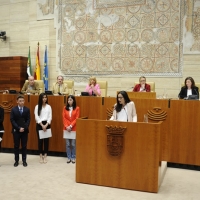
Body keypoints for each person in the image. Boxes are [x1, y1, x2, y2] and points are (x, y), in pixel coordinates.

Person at [10, 95, 30, 167]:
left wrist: (25, 127)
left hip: (24, 131)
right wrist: (18, 128)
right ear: (17, 101)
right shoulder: (13, 109)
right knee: (16, 146)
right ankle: (16, 160)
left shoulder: (27, 109)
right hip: (16, 131)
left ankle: (24, 160)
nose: (22, 102)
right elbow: (12, 120)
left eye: (23, 101)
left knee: (24, 146)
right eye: (20, 101)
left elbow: (28, 119)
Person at [34, 93, 52, 163]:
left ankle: (45, 155)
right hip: (40, 124)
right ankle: (40, 155)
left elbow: (50, 117)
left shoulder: (49, 106)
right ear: (40, 98)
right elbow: (36, 117)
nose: (45, 99)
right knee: (40, 141)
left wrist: (46, 125)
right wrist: (42, 125)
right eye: (43, 97)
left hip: (47, 124)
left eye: (45, 97)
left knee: (46, 141)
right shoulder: (37, 106)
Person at [62, 95, 80, 164]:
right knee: (67, 144)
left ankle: (73, 157)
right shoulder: (64, 108)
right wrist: (67, 126)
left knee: (73, 144)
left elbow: (77, 118)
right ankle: (68, 157)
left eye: (71, 100)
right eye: (68, 100)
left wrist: (71, 126)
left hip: (73, 128)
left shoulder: (77, 108)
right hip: (66, 129)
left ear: (73, 101)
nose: (69, 101)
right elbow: (64, 118)